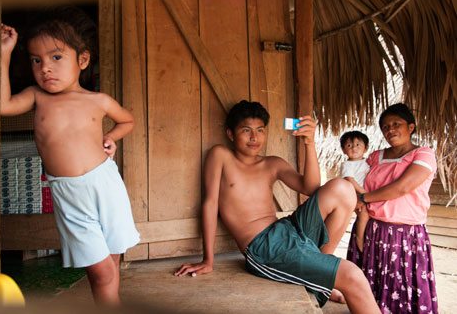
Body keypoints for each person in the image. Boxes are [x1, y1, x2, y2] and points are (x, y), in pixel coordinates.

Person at [175, 100, 380, 314]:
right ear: (230, 134)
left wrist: (310, 143)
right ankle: (325, 276)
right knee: (353, 276)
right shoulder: (221, 156)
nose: (254, 137)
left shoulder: (272, 163)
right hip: (265, 247)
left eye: (260, 130)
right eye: (246, 130)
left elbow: (310, 188)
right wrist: (208, 259)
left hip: (289, 228)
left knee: (343, 188)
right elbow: (210, 204)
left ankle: (320, 271)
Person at [0, 7, 140, 304]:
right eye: (36, 60)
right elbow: (4, 106)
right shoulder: (36, 96)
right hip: (69, 192)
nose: (45, 68)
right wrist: (5, 54)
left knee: (112, 260)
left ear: (83, 60)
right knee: (100, 270)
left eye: (56, 57)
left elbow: (127, 121)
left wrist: (109, 138)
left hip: (105, 184)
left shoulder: (98, 100)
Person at [347, 103, 438, 314]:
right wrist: (359, 201)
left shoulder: (423, 154)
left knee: (402, 288)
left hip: (405, 235)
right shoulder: (375, 157)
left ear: (411, 127)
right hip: (372, 228)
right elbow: (356, 180)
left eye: (396, 124)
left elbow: (402, 188)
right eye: (385, 126)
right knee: (371, 286)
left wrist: (365, 197)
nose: (390, 130)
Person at [340, 131, 370, 252]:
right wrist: (364, 193)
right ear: (343, 150)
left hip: (366, 194)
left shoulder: (368, 162)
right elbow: (349, 179)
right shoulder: (347, 164)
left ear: (366, 148)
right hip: (356, 194)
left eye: (358, 145)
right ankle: (359, 238)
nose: (354, 148)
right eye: (349, 145)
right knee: (363, 215)